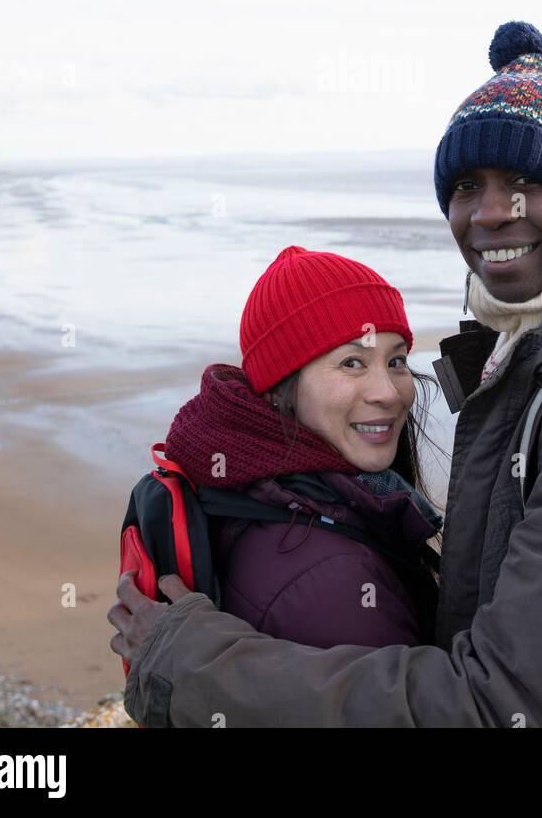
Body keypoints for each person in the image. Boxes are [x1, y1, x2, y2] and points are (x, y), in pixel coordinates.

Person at [110, 18, 542, 729]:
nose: (489, 211)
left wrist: (195, 664)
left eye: (523, 180)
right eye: (463, 184)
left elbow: (503, 709)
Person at [119, 245, 442, 652]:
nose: (389, 393)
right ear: (277, 390)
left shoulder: (241, 486)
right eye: (352, 363)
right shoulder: (335, 580)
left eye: (396, 361)